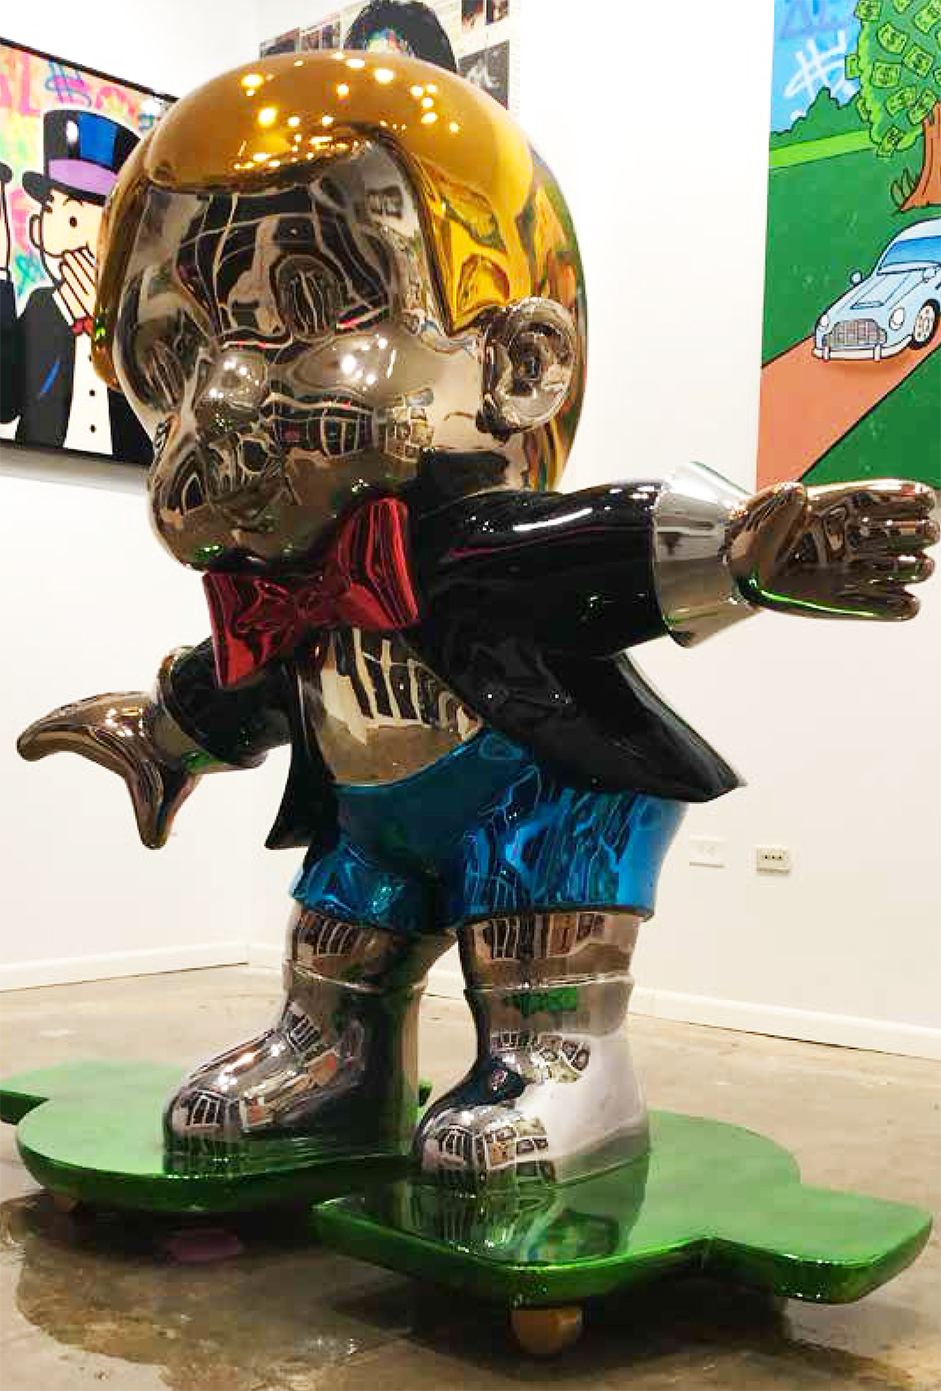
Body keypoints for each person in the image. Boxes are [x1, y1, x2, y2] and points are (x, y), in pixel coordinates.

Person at [17, 53, 937, 1184]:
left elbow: (604, 542)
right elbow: (247, 675)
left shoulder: (480, 552)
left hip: (543, 797)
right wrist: (159, 734)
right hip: (372, 815)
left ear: (519, 362)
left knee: (530, 927)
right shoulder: (291, 587)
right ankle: (335, 1061)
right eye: (177, 351)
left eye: (308, 309)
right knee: (340, 933)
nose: (222, 395)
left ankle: (561, 1062)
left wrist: (749, 553)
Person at [0, 109, 150, 462]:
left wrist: (104, 329)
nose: (44, 230)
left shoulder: (137, 327)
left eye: (71, 219)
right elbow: (5, 404)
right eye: (49, 211)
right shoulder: (43, 308)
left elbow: (150, 427)